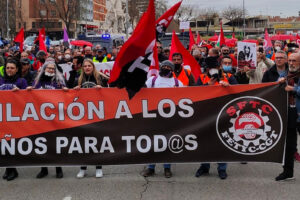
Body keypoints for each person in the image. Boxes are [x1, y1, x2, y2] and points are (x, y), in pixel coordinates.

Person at [195, 56, 237, 180]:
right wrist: (207, 85)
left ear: (219, 67)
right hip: (205, 115)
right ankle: (204, 166)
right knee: (205, 142)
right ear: (206, 69)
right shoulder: (202, 78)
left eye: (214, 67)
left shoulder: (229, 77)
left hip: (223, 114)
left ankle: (222, 168)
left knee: (221, 142)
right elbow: (194, 94)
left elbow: (239, 91)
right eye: (209, 68)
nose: (212, 70)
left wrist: (229, 86)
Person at [142, 60, 183, 178]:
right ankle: (151, 167)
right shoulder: (152, 80)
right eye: (164, 66)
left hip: (169, 117)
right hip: (153, 116)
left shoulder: (177, 82)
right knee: (153, 142)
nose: (165, 68)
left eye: (168, 67)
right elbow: (143, 93)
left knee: (167, 142)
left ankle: (167, 168)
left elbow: (185, 96)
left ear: (172, 70)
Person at [27, 61, 67, 179]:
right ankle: (43, 169)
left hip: (54, 119)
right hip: (40, 119)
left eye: (52, 69)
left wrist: (65, 90)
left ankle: (58, 169)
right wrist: (28, 89)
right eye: (48, 68)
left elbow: (65, 97)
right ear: (44, 69)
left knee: (55, 145)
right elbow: (30, 95)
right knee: (41, 145)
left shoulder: (59, 82)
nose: (50, 70)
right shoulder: (37, 82)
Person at [75, 59, 108, 178]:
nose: (87, 68)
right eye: (85, 66)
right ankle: (82, 168)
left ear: (93, 67)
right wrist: (75, 90)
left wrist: (102, 89)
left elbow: (111, 94)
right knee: (83, 143)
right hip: (82, 115)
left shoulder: (101, 78)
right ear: (82, 68)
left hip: (97, 114)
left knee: (97, 142)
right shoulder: (77, 79)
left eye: (89, 66)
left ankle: (98, 167)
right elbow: (69, 94)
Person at [273, 53, 300, 181]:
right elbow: (276, 86)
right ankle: (288, 172)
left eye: (294, 61)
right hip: (289, 114)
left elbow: (294, 89)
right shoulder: (286, 74)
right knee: (289, 145)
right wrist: (278, 82)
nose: (291, 63)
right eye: (289, 60)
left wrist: (294, 89)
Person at [1, 59, 28, 181]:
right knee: (4, 144)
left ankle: (13, 169)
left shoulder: (21, 81)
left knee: (12, 144)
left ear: (17, 69)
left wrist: (20, 92)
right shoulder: (1, 80)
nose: (9, 70)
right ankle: (8, 168)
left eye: (12, 68)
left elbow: (28, 97)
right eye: (7, 68)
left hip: (15, 117)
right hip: (2, 117)